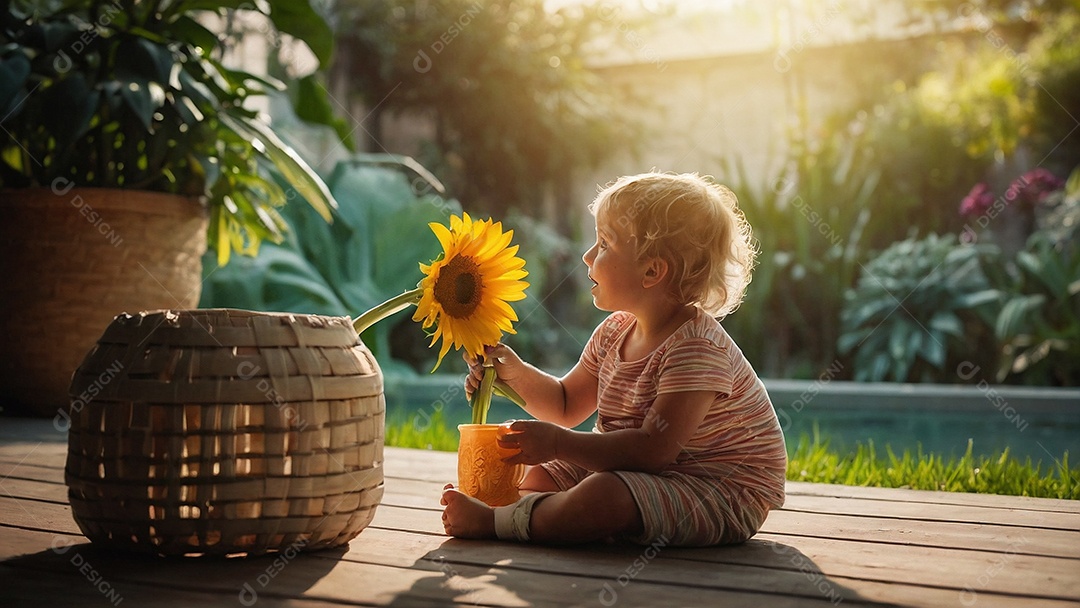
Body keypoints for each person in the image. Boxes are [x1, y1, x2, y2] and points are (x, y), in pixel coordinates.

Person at [441, 171, 787, 546]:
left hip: (717, 489)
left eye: (604, 244)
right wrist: (515, 373)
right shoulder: (614, 332)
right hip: (647, 471)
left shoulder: (697, 348)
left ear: (652, 270)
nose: (587, 255)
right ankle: (530, 517)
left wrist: (559, 443)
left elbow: (652, 450)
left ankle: (500, 523)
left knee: (606, 495)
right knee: (539, 475)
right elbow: (566, 403)